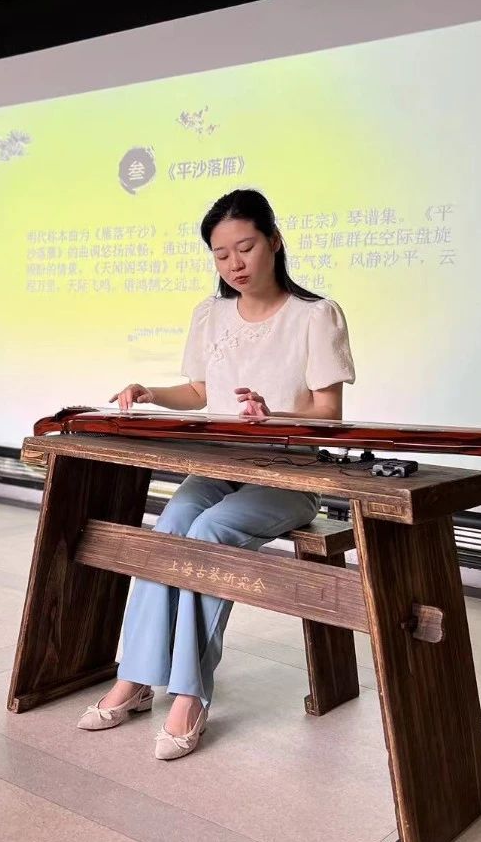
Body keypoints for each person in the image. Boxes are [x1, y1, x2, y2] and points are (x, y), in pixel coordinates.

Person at [77, 188, 356, 760]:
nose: (235, 264)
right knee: (170, 529)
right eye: (221, 254)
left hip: (289, 476)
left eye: (245, 248)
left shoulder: (315, 315)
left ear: (274, 241)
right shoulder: (210, 314)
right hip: (220, 465)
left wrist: (274, 415)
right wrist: (150, 392)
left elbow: (329, 415)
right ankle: (136, 678)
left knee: (208, 533)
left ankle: (190, 694)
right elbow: (201, 392)